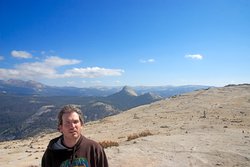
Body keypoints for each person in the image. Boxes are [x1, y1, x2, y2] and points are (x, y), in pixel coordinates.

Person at [42, 104, 109, 167]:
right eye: (67, 123)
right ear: (60, 128)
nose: (72, 126)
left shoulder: (94, 149)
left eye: (75, 122)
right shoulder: (51, 152)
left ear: (81, 125)